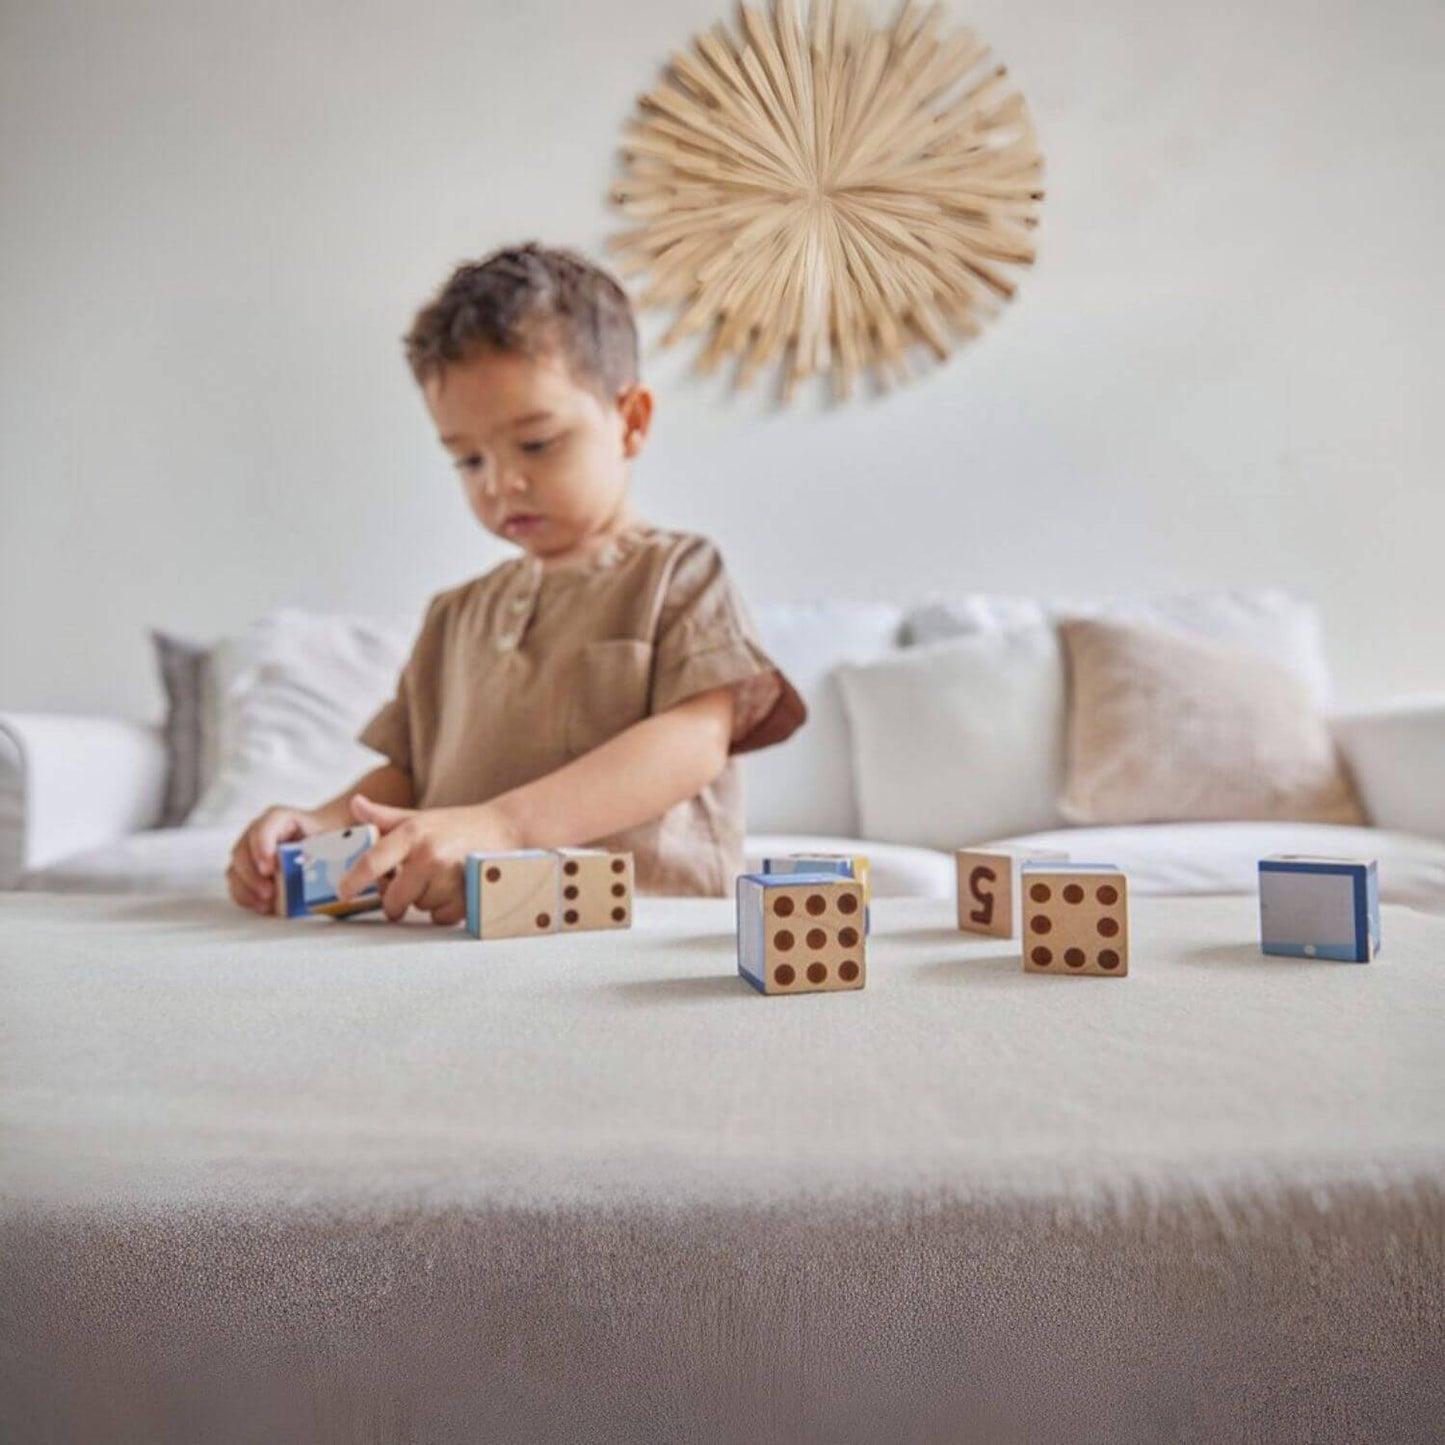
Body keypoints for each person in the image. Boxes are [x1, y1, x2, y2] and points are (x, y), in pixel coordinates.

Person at [225, 242, 806, 923]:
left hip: (647, 930)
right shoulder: (453, 615)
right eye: (467, 459)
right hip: (471, 938)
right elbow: (409, 777)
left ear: (632, 421)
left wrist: (504, 826)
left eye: (535, 444)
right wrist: (321, 823)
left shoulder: (678, 573)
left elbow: (694, 742)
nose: (500, 482)